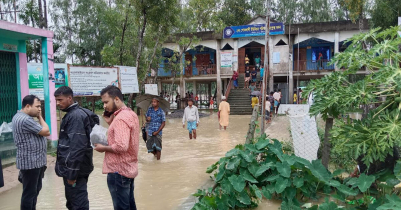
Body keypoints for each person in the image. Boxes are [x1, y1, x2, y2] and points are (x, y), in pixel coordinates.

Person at [94, 85, 139, 210]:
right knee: (129, 206)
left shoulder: (120, 119)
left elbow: (121, 146)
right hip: (128, 169)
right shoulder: (130, 114)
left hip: (118, 172)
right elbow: (126, 139)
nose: (104, 106)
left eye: (106, 102)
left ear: (117, 99)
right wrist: (110, 123)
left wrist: (103, 148)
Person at [54, 86, 98, 210]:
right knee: (73, 202)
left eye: (60, 100)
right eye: (56, 100)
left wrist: (72, 174)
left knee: (77, 204)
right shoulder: (77, 113)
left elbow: (77, 147)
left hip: (75, 171)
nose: (58, 103)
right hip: (78, 167)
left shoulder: (75, 117)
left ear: (69, 98)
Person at [12, 95, 50, 210]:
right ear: (28, 106)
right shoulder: (24, 119)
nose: (39, 109)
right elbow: (46, 131)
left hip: (34, 162)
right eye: (37, 106)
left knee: (34, 191)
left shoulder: (21, 117)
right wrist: (40, 117)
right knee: (29, 193)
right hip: (30, 163)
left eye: (40, 107)